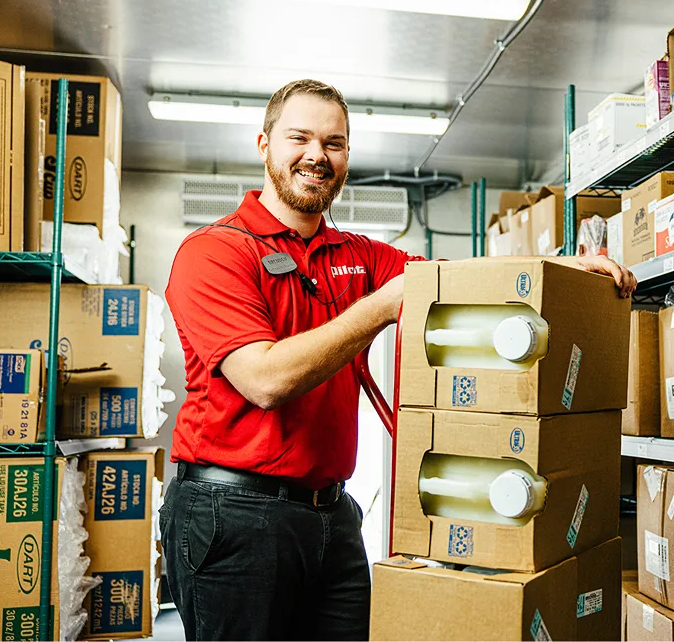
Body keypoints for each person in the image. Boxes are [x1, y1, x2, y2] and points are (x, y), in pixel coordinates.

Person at [160, 78, 638, 641]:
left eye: (334, 143)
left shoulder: (354, 253)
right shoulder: (215, 252)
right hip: (232, 512)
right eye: (300, 138)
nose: (318, 155)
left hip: (332, 513)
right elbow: (265, 379)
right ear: (264, 144)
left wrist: (559, 269)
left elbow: (459, 278)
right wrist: (383, 307)